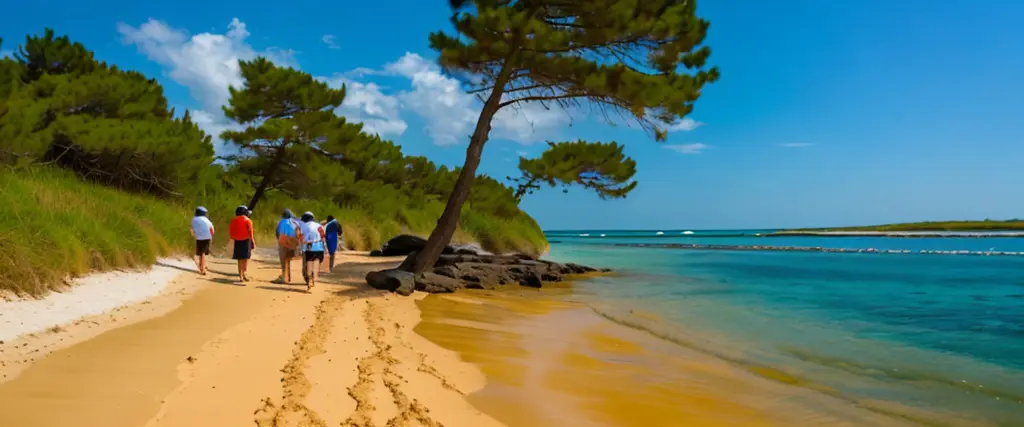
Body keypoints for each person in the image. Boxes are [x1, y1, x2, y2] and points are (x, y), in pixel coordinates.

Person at [273, 209, 302, 284]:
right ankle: (287, 277)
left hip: (283, 243)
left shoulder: (281, 222)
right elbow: (299, 232)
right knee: (288, 260)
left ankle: (284, 278)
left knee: (284, 261)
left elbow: (277, 233)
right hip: (293, 244)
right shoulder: (295, 222)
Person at [299, 211, 326, 292]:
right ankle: (313, 278)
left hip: (308, 249)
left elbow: (301, 239)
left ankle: (309, 280)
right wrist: (325, 248)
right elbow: (323, 237)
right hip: (319, 248)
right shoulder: (319, 226)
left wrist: (301, 250)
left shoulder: (303, 226)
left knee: (307, 265)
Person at [229, 205, 256, 283]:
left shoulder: (233, 220)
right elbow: (250, 232)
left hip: (237, 241)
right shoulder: (248, 220)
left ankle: (240, 276)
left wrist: (233, 238)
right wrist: (252, 241)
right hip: (246, 240)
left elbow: (231, 231)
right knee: (245, 257)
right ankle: (244, 273)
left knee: (239, 258)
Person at [189, 206, 215, 275]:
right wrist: (211, 237)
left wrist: (194, 236)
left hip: (198, 237)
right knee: (203, 253)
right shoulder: (207, 220)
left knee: (201, 252)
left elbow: (192, 229)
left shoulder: (194, 219)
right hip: (207, 237)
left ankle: (202, 265)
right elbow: (212, 229)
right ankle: (203, 268)